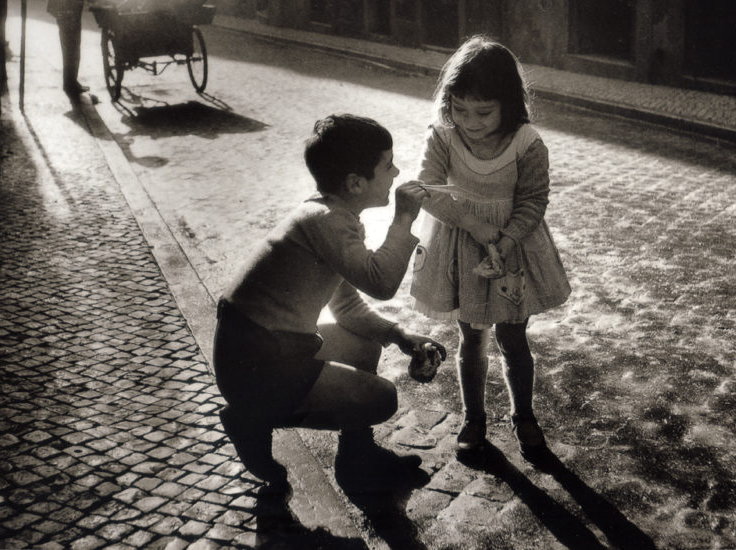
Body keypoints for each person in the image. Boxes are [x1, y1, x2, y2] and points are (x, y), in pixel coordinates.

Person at [213, 114, 446, 491]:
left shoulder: (324, 214)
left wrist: (399, 335)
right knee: (383, 399)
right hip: (259, 361)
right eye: (387, 165)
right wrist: (404, 218)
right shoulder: (329, 221)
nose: (396, 172)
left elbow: (348, 308)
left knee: (365, 344)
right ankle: (252, 417)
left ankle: (357, 456)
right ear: (355, 183)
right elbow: (381, 283)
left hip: (252, 351)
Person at [410, 35, 571, 463]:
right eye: (459, 109)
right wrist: (474, 226)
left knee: (513, 337)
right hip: (460, 245)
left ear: (508, 104)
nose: (470, 121)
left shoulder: (526, 142)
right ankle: (474, 417)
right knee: (471, 337)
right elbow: (428, 189)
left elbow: (533, 199)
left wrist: (506, 238)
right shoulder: (443, 135)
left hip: (513, 249)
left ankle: (523, 415)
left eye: (483, 112)